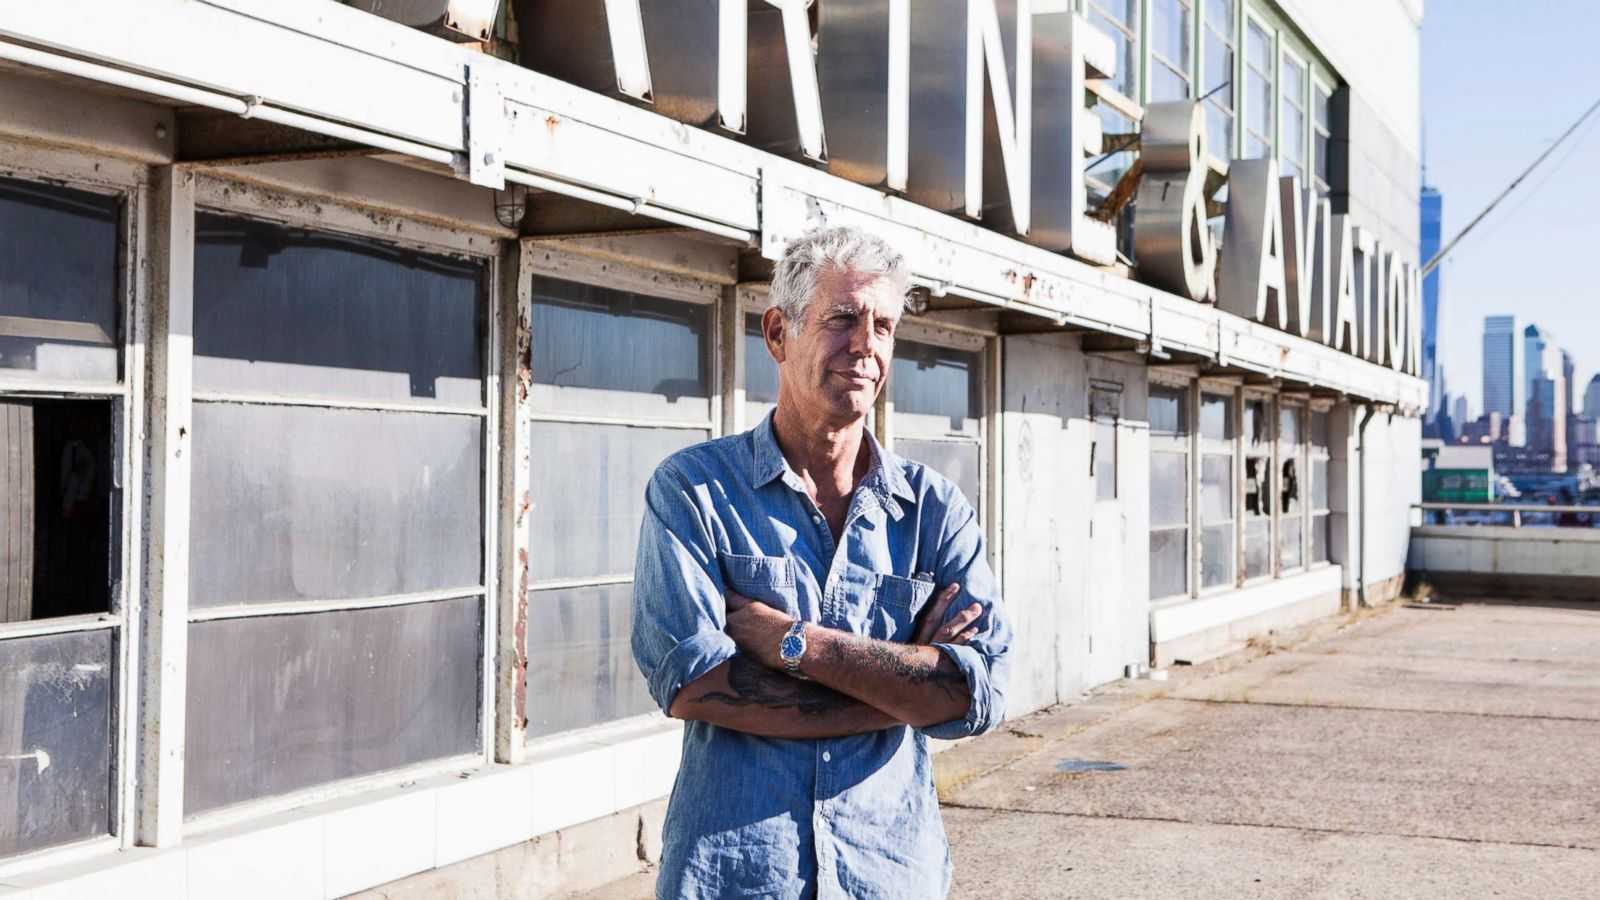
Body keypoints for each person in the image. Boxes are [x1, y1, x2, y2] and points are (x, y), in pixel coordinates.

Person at [632, 225, 1012, 898]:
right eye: (843, 319)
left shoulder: (933, 511)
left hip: (887, 872)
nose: (867, 347)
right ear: (778, 333)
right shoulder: (693, 492)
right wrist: (900, 690)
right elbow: (695, 685)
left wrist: (795, 643)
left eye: (885, 326)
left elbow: (974, 695)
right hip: (737, 876)